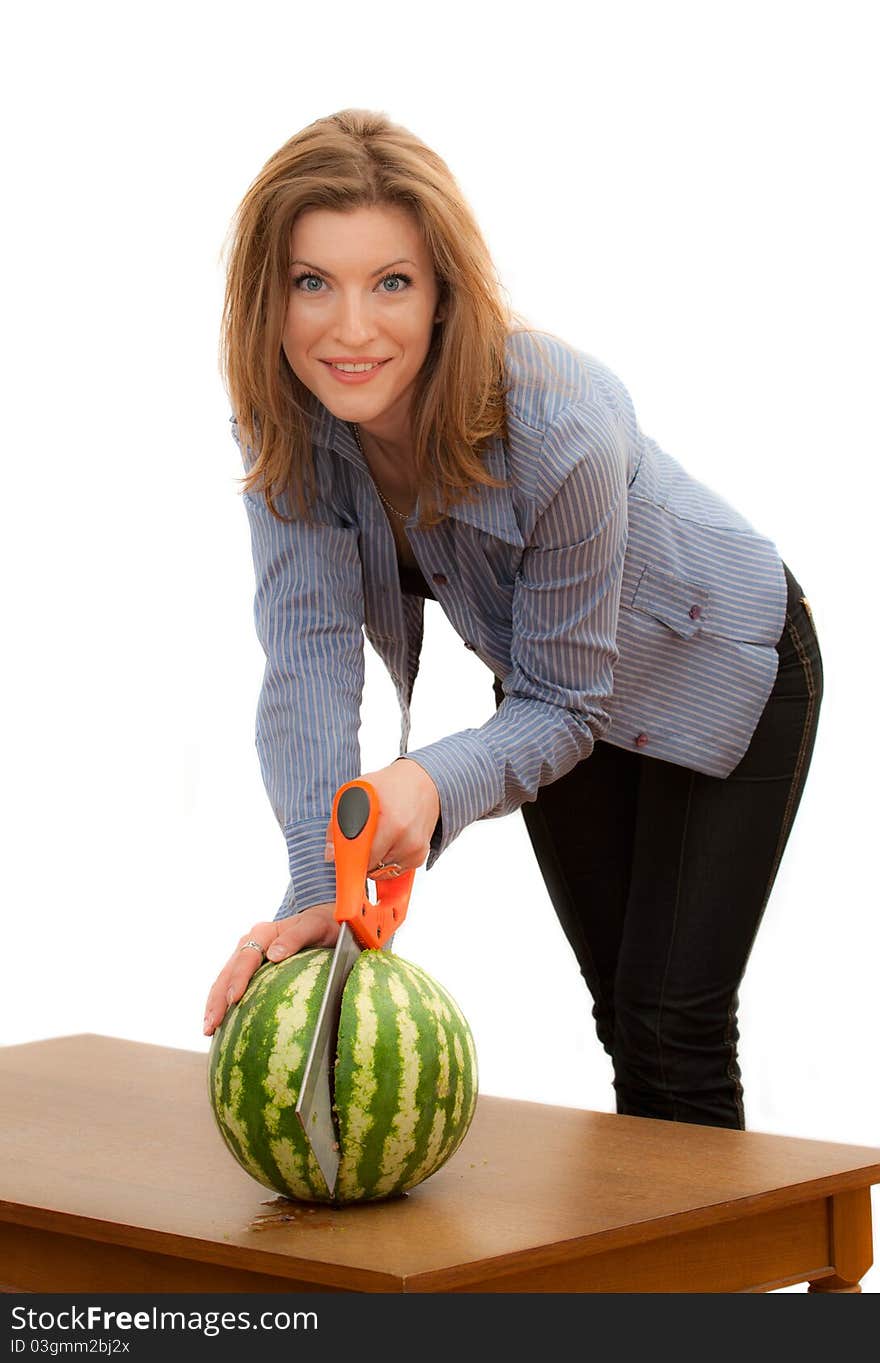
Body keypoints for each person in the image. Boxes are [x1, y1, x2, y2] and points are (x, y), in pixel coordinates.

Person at [202, 108, 823, 1131]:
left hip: (724, 666)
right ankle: (646, 1281)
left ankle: (703, 1288)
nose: (349, 329)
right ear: (268, 296)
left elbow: (561, 705)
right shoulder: (290, 417)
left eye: (390, 281)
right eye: (313, 281)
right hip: (555, 689)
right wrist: (323, 883)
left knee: (673, 1023)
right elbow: (308, 652)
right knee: (621, 1016)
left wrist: (426, 781)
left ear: (443, 292)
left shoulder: (557, 420)